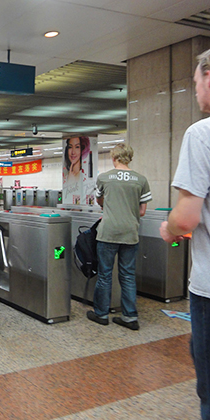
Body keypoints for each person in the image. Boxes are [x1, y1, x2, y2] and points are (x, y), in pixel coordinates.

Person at [159, 48, 210, 420]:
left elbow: (187, 218)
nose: (194, 90)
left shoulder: (202, 134)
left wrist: (169, 227)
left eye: (195, 81)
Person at [86, 144, 151, 330]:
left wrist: (110, 207)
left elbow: (99, 201)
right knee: (128, 275)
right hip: (130, 232)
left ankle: (101, 314)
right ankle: (130, 317)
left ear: (114, 157)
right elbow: (143, 211)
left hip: (108, 232)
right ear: (129, 157)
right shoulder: (141, 179)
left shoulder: (104, 178)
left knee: (105, 275)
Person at [62, 136, 90, 205]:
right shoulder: (66, 176)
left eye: (77, 147)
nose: (73, 152)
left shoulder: (84, 177)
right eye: (70, 147)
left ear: (82, 149)